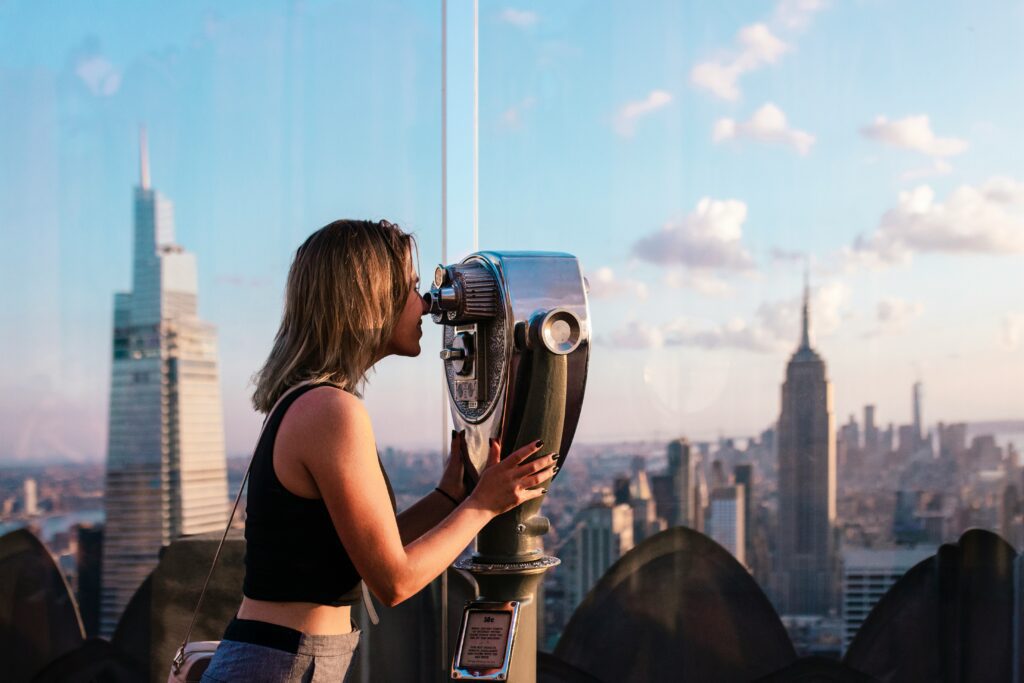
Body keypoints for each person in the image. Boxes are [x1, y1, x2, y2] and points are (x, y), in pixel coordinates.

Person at [200, 220, 554, 682]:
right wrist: (484, 504)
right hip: (283, 665)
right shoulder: (332, 411)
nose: (426, 304)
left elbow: (359, 554)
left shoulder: (307, 401)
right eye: (409, 288)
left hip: (281, 658)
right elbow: (393, 581)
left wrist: (449, 498)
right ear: (369, 300)